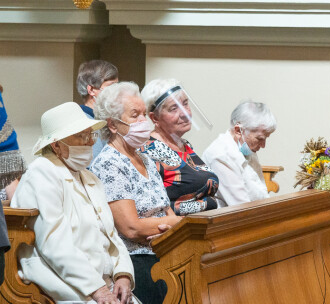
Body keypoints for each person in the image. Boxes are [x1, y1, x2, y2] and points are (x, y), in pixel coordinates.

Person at [11, 102, 137, 304]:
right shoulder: (41, 174)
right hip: (64, 283)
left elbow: (111, 235)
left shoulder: (89, 177)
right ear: (56, 145)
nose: (89, 142)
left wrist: (123, 274)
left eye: (90, 135)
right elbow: (54, 245)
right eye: (81, 136)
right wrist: (97, 289)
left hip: (104, 283)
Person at [90, 82, 181, 304]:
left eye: (144, 114)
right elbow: (131, 228)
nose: (143, 121)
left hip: (165, 246)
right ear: (112, 125)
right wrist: (177, 224)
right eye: (135, 115)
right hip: (135, 259)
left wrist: (171, 227)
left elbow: (166, 210)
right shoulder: (110, 163)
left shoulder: (145, 158)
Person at [140, 79, 219, 215]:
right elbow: (151, 205)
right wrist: (208, 203)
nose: (184, 113)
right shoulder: (149, 150)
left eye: (185, 104)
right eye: (173, 108)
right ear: (155, 118)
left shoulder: (184, 144)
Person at [202, 101, 277, 207]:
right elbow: (242, 207)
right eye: (260, 139)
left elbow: (261, 195)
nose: (263, 145)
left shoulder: (245, 148)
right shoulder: (220, 155)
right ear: (238, 130)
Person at [76, 60, 119, 160]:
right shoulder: (83, 122)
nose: (116, 92)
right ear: (91, 90)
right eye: (111, 87)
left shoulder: (104, 119)